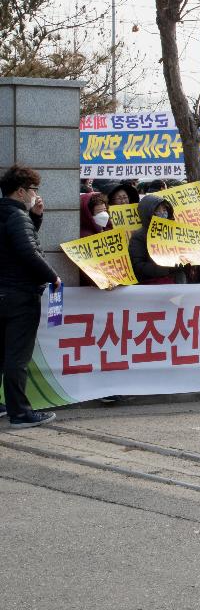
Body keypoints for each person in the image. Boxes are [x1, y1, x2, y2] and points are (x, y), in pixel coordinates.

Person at [0, 166, 60, 428]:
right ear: (21, 191)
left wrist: (35, 218)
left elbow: (13, 245)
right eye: (34, 190)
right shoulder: (17, 216)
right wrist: (53, 276)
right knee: (17, 357)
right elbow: (28, 252)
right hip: (19, 296)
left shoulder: (12, 215)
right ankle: (20, 413)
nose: (36, 195)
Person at [128, 194, 188, 285]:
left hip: (178, 281)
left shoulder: (174, 231)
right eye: (157, 211)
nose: (162, 213)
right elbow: (138, 265)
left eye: (164, 210)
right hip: (154, 285)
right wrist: (166, 268)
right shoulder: (139, 236)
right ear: (147, 213)